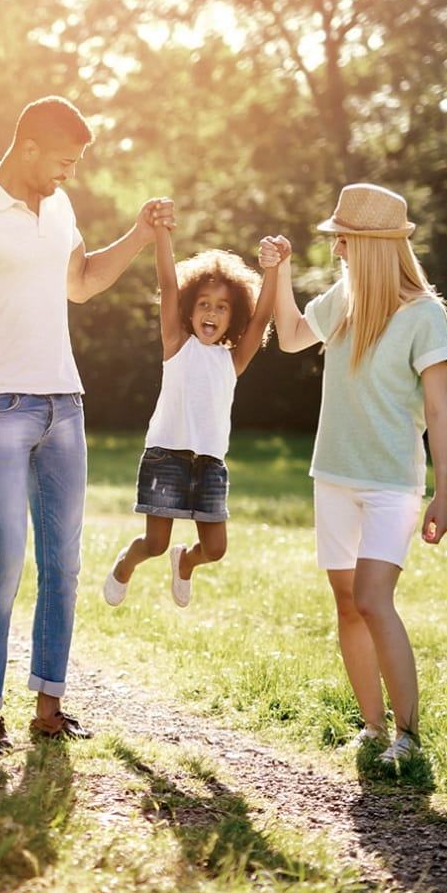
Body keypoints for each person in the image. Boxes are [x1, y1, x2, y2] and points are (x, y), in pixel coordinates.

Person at [0, 95, 174, 754]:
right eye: (63, 161)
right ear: (29, 147)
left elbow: (84, 282)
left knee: (62, 563)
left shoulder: (58, 207)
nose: (68, 175)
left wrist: (142, 235)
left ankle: (49, 707)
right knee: (5, 560)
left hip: (65, 406)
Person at [266, 183, 447, 769]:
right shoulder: (343, 298)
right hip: (334, 476)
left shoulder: (424, 315)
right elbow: (293, 337)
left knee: (374, 600)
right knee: (347, 604)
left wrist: (442, 493)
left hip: (392, 482)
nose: (337, 248)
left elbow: (440, 410)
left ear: (371, 244)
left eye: (343, 238)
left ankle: (408, 735)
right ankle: (372, 729)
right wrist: (280, 274)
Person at [101, 219, 275, 609]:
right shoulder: (177, 344)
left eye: (222, 308)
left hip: (211, 464)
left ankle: (187, 561)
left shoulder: (233, 360)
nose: (211, 313)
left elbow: (263, 319)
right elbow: (166, 285)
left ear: (234, 316)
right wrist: (162, 233)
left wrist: (275, 269)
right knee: (155, 544)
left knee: (215, 549)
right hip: (166, 456)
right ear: (190, 309)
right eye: (204, 304)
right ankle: (126, 565)